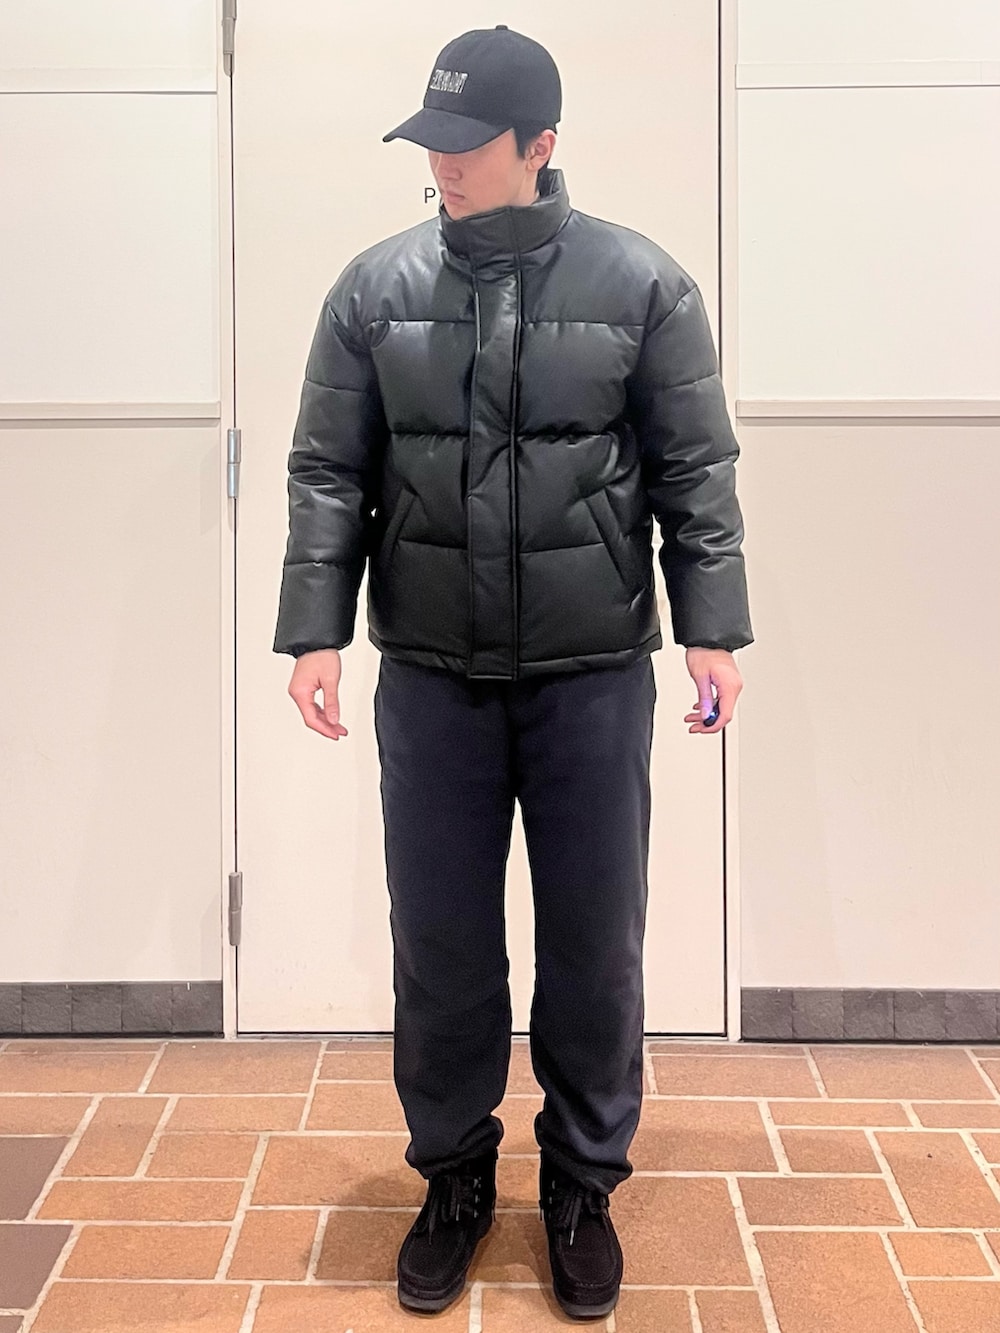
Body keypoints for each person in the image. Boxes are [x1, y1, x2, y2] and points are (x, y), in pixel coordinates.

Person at [272, 24, 753, 1322]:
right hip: (431, 675)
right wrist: (315, 630)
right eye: (430, 143)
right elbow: (327, 469)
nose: (445, 166)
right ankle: (454, 1176)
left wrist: (711, 626)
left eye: (469, 144)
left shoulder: (642, 284)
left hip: (592, 676)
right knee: (440, 944)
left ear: (542, 144)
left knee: (595, 945)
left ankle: (583, 1184)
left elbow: (698, 472)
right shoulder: (373, 289)